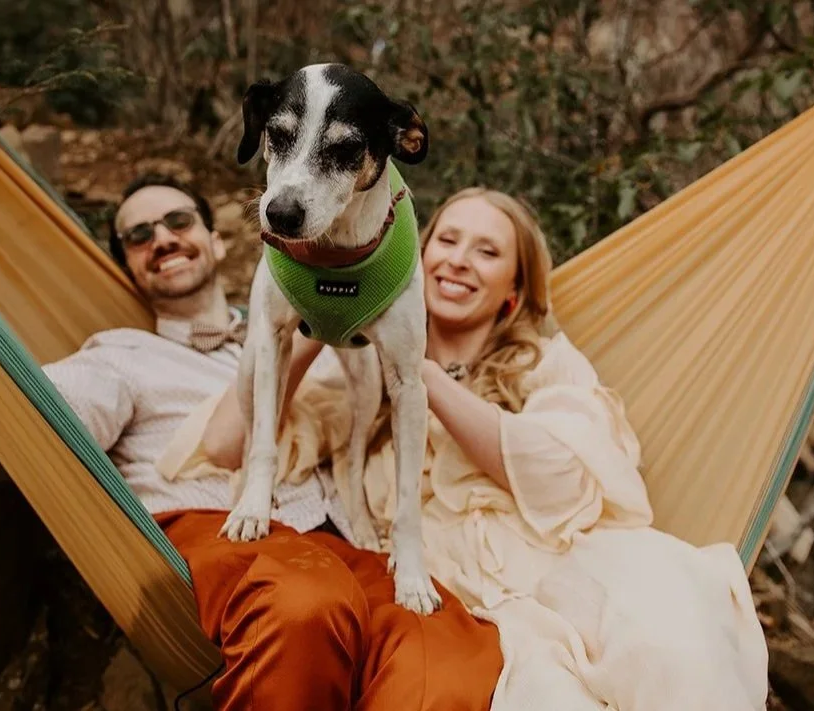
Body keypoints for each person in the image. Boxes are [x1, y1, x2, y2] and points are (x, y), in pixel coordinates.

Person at [0, 132, 503, 711]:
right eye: (138, 236)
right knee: (307, 607)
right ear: (126, 264)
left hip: (341, 540)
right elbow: (21, 414)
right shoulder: (120, 354)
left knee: (449, 646)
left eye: (177, 221)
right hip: (223, 539)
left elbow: (416, 379)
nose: (162, 239)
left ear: (218, 239)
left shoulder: (337, 343)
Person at [167, 187, 770, 710]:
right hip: (474, 615)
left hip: (580, 569)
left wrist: (417, 370)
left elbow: (566, 482)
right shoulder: (355, 376)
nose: (458, 261)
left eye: (487, 251)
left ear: (513, 289)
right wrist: (317, 313)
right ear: (412, 255)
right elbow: (226, 443)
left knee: (673, 653)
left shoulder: (544, 365)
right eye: (447, 241)